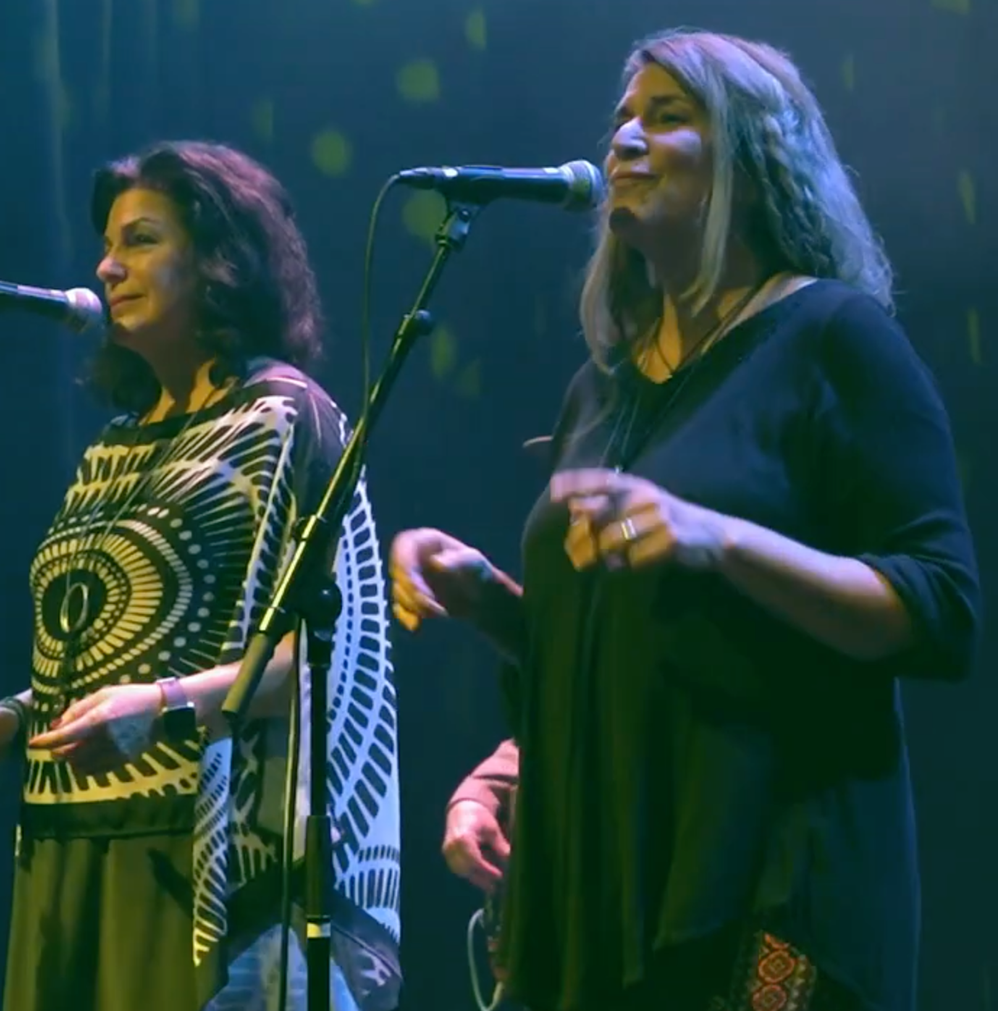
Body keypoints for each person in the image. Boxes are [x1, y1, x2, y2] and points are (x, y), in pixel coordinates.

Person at [389, 28, 980, 1011]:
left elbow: (941, 608)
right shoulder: (601, 390)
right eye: (622, 117)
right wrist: (491, 602)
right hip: (603, 894)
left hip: (770, 881)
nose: (625, 138)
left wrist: (720, 538)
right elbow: (622, 647)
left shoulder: (832, 337)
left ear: (755, 161)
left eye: (667, 117)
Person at [0, 140, 402, 1011]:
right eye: (107, 246)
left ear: (220, 260)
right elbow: (124, 647)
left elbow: (329, 659)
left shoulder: (285, 419)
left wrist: (161, 707)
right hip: (65, 848)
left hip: (196, 854)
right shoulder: (114, 445)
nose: (108, 267)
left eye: (142, 240)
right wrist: (15, 716)